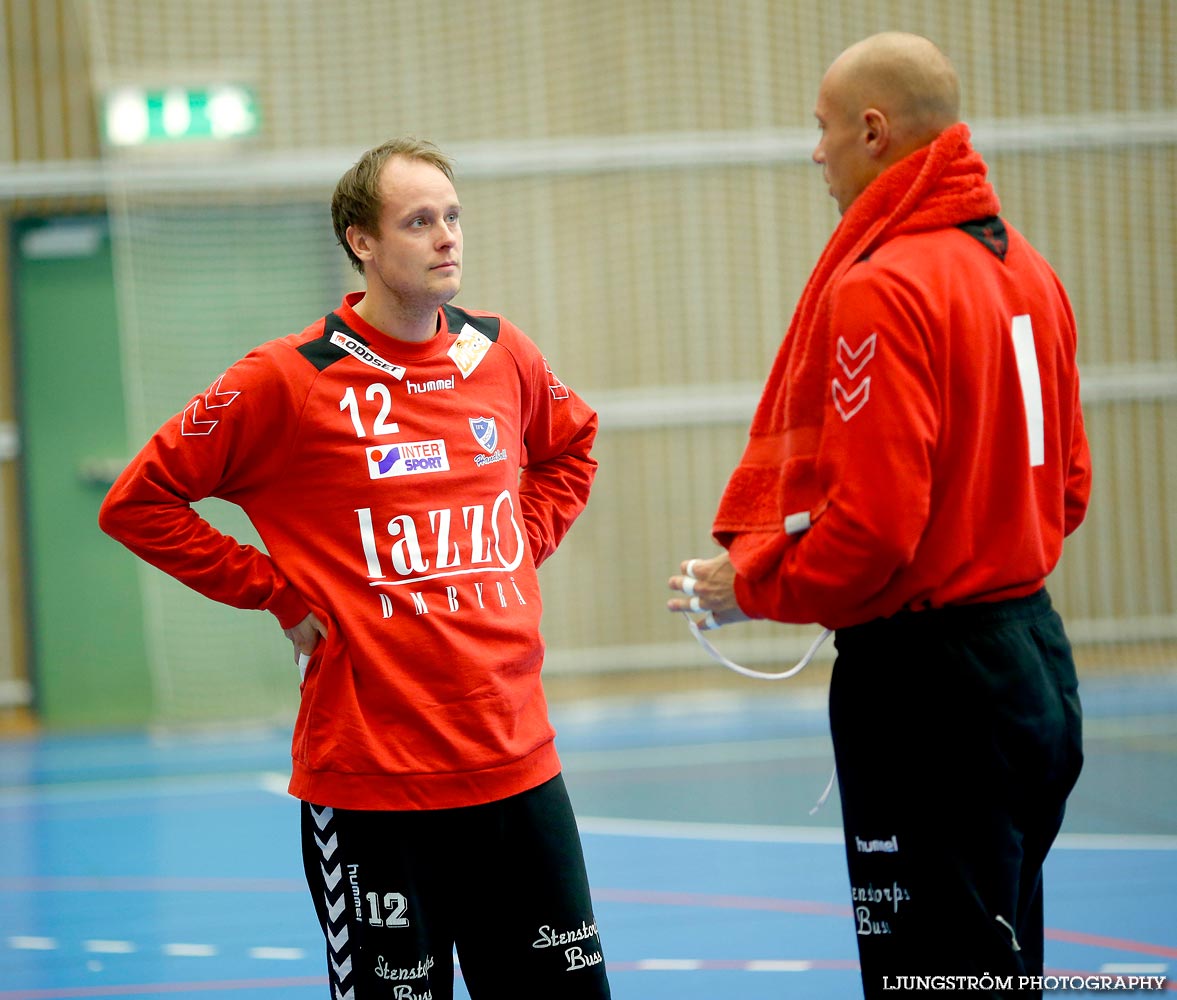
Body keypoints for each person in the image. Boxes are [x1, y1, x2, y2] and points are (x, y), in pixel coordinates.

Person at [100, 136, 611, 1000]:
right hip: (374, 784)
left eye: (453, 217)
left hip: (518, 766)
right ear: (361, 242)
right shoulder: (287, 379)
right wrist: (274, 590)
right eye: (419, 221)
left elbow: (572, 447)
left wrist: (518, 541)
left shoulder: (501, 354)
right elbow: (138, 502)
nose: (447, 237)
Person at [667, 33, 1090, 999]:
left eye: (821, 129)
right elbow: (1067, 490)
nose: (814, 151)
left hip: (928, 691)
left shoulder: (881, 287)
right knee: (996, 963)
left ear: (872, 129)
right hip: (1032, 666)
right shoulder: (1029, 271)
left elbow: (872, 530)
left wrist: (757, 582)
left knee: (927, 977)